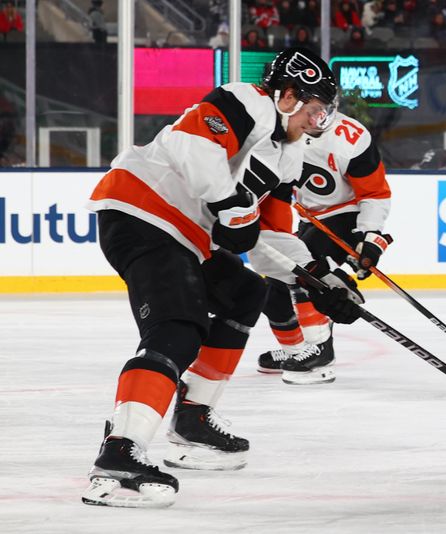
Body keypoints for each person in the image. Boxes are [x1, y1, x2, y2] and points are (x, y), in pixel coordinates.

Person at [81, 47, 359, 508]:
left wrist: (317, 277)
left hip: (188, 236)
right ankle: (119, 454)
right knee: (176, 327)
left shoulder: (288, 157)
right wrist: (232, 206)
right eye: (313, 109)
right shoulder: (247, 101)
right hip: (143, 213)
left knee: (245, 292)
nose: (317, 122)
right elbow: (194, 146)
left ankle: (193, 416)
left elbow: (266, 235)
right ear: (287, 96)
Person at [251, 109, 390, 385]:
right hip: (308, 218)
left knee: (308, 274)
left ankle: (321, 354)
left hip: (344, 217)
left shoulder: (352, 137)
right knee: (274, 290)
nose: (315, 117)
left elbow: (374, 193)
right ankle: (297, 350)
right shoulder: (279, 131)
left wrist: (369, 235)